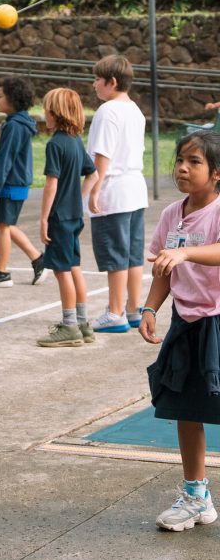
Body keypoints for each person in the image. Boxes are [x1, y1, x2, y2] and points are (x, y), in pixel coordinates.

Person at [139, 131, 220, 531]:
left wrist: (185, 251)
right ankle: (196, 495)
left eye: (195, 162)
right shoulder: (173, 213)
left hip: (218, 322)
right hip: (186, 323)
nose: (183, 168)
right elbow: (163, 267)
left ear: (217, 172)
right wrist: (151, 307)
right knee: (187, 410)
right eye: (180, 160)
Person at [87, 54, 148, 334]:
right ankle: (134, 309)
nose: (94, 85)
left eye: (98, 79)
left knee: (115, 256)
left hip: (114, 190)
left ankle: (115, 312)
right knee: (133, 254)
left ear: (111, 82)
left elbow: (103, 154)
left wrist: (95, 189)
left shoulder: (107, 110)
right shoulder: (135, 109)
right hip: (136, 189)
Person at [35, 88, 99, 347]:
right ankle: (83, 324)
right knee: (74, 268)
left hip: (59, 218)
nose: (44, 115)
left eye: (46, 110)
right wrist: (79, 198)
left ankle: (69, 326)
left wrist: (43, 218)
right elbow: (92, 174)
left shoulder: (55, 144)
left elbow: (52, 184)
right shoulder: (75, 141)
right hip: (74, 216)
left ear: (55, 113)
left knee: (62, 271)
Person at [0, 76, 46, 288]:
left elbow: (6, 159)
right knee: (6, 225)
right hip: (16, 182)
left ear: (13, 99)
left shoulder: (15, 126)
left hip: (12, 183)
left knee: (4, 226)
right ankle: (38, 259)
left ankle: (2, 272)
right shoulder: (16, 123)